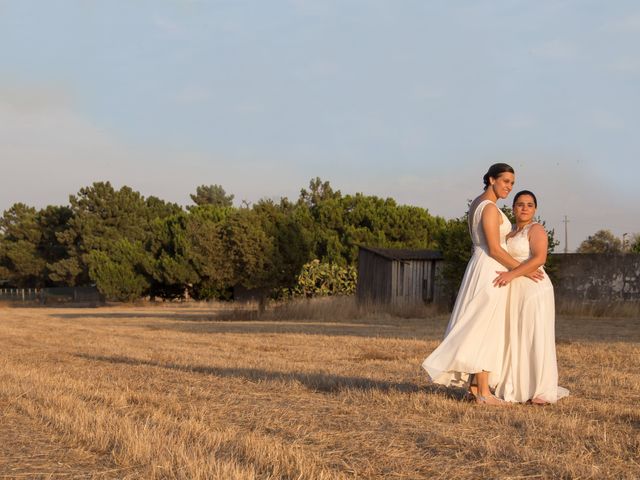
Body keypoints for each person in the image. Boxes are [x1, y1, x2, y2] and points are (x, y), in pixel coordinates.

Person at [422, 164, 543, 405]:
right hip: (490, 268)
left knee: (479, 323)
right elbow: (495, 249)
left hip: (481, 265)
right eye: (505, 181)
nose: (509, 186)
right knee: (486, 326)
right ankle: (484, 393)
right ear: (491, 179)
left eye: (512, 183)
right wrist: (521, 271)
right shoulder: (488, 208)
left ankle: (476, 388)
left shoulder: (479, 204)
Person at [493, 190, 570, 404]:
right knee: (514, 335)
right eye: (520, 204)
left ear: (535, 209)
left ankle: (540, 389)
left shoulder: (536, 229)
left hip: (534, 288)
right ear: (513, 208)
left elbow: (539, 259)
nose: (524, 208)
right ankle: (515, 384)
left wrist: (512, 274)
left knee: (534, 334)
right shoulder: (508, 233)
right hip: (513, 290)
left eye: (529, 204)